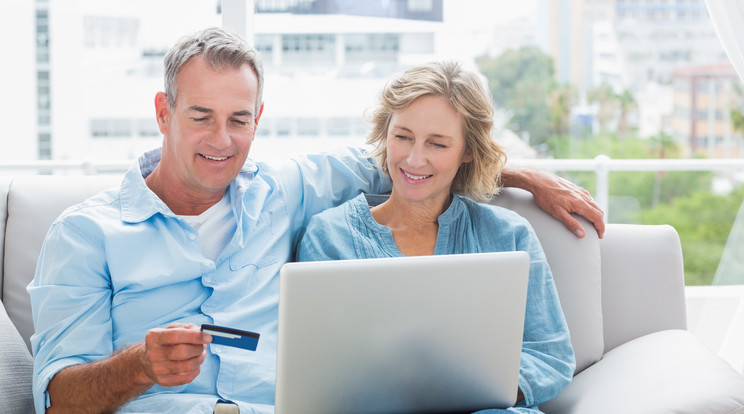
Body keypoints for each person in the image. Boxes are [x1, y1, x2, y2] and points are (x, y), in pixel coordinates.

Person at [28, 27, 598, 414]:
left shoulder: (284, 190)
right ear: (163, 111)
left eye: (239, 119)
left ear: (258, 119)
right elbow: (56, 399)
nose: (222, 141)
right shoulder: (84, 235)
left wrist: (522, 176)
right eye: (201, 117)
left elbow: (409, 163)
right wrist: (138, 367)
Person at [297, 61, 575, 413]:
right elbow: (318, 370)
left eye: (438, 144)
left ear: (468, 150)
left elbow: (550, 355)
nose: (414, 160)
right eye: (403, 137)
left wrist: (463, 391)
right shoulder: (330, 236)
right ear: (386, 134)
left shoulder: (509, 235)